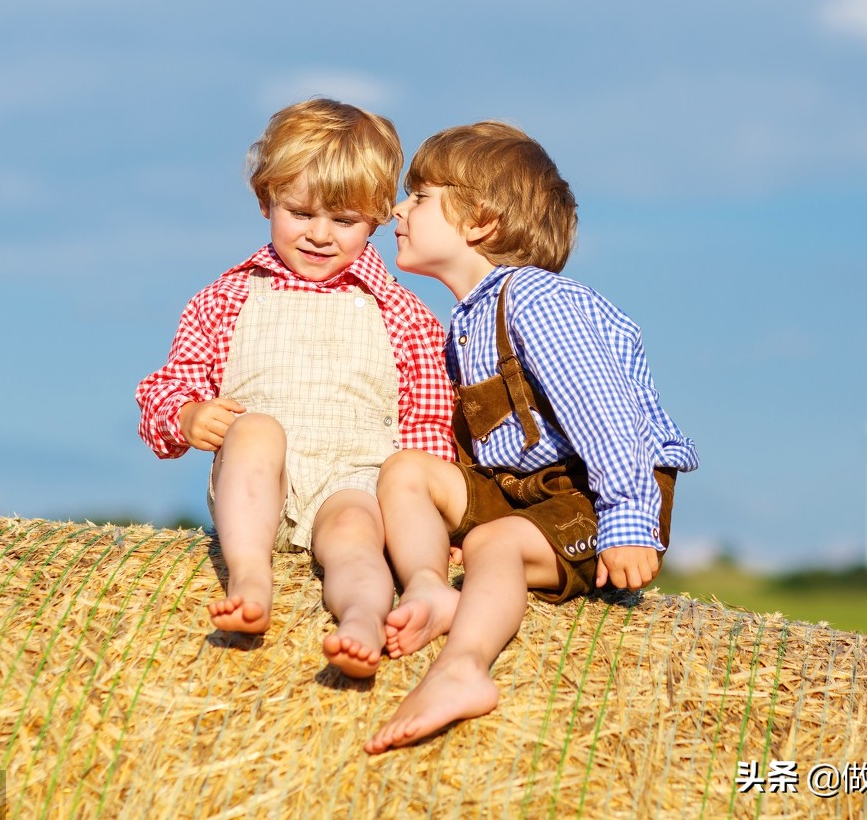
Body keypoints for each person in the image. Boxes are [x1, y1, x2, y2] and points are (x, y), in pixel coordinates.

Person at [364, 121, 698, 753]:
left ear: (480, 222)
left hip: (595, 496)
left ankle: (463, 668)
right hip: (520, 492)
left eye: (420, 198)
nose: (397, 212)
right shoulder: (467, 324)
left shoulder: (540, 302)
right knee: (407, 470)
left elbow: (606, 413)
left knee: (496, 541)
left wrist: (628, 519)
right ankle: (430, 587)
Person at [135, 99, 454, 678]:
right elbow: (169, 385)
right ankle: (252, 578)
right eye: (301, 212)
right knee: (254, 429)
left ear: (379, 217)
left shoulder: (405, 315)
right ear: (265, 199)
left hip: (354, 478)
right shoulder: (224, 299)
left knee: (357, 537)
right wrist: (185, 416)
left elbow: (428, 429)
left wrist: (436, 525)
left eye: (345, 220)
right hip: (260, 487)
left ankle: (361, 620)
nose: (320, 234)